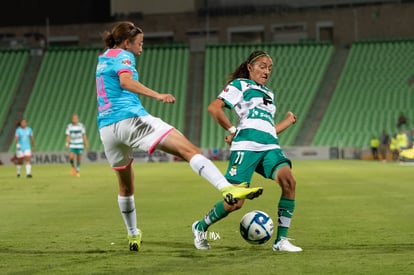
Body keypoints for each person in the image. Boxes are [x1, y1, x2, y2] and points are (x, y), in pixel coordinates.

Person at [95, 21, 263, 252]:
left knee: (125, 186)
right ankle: (228, 188)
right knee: (190, 150)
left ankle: (133, 234)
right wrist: (157, 95)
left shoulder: (104, 57)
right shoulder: (124, 55)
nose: (142, 48)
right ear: (127, 42)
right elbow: (125, 81)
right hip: (130, 120)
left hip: (106, 129)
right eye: (140, 43)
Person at [192, 50, 302, 252]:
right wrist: (234, 131)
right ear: (250, 68)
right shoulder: (240, 85)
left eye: (270, 68)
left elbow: (266, 127)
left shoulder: (269, 94)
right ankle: (200, 227)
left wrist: (287, 122)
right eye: (262, 66)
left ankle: (281, 241)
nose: (267, 71)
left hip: (270, 146)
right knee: (235, 202)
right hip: (245, 147)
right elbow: (214, 108)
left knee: (289, 181)